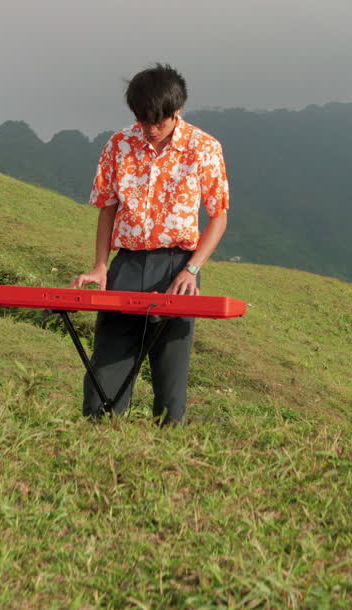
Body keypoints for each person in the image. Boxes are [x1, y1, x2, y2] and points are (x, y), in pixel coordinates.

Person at [71, 63, 230, 424]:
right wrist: (100, 266)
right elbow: (107, 210)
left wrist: (192, 269)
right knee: (107, 367)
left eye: (159, 120)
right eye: (144, 121)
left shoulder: (203, 148)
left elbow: (218, 216)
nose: (151, 129)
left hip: (178, 268)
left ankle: (167, 454)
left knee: (170, 373)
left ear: (178, 111)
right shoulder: (119, 144)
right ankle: (97, 442)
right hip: (126, 264)